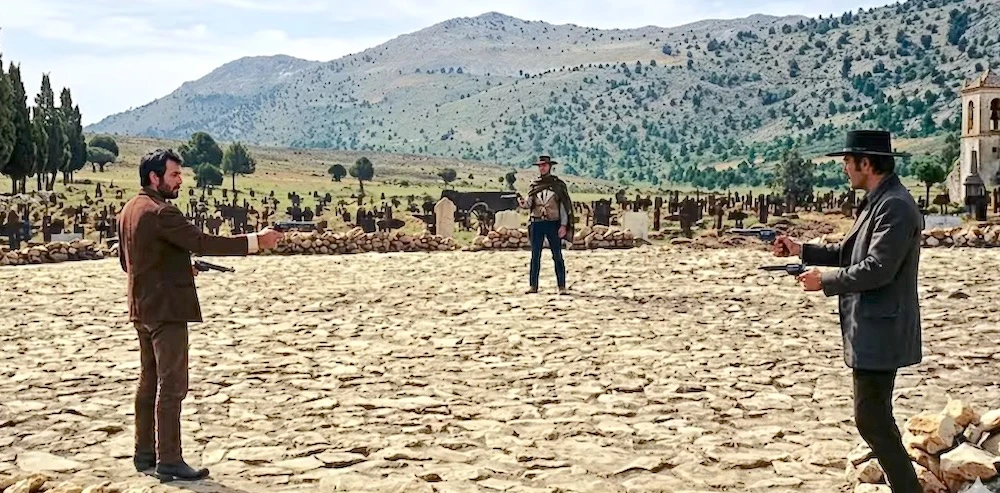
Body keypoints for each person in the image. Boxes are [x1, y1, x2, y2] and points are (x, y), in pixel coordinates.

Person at [117, 149, 283, 480]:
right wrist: (257, 241)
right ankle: (170, 458)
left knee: (148, 381)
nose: (180, 181)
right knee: (172, 385)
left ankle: (144, 453)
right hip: (167, 310)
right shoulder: (162, 212)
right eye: (174, 175)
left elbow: (129, 262)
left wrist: (180, 265)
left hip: (142, 308)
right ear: (154, 177)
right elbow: (203, 242)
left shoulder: (129, 210)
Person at [773, 130, 923, 493]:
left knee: (872, 419)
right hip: (871, 328)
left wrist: (825, 281)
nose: (844, 169)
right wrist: (800, 249)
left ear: (865, 164)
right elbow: (849, 252)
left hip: (881, 329)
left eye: (847, 162)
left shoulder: (895, 206)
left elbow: (877, 268)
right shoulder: (878, 201)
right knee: (873, 418)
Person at [518, 155, 574, 294]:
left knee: (557, 255)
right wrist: (523, 204)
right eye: (540, 166)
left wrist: (563, 225)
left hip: (553, 223)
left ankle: (561, 286)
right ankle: (533, 285)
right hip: (537, 223)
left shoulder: (558, 185)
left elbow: (563, 207)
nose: (542, 168)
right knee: (535, 255)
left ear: (549, 166)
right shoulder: (534, 185)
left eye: (544, 165)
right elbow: (529, 204)